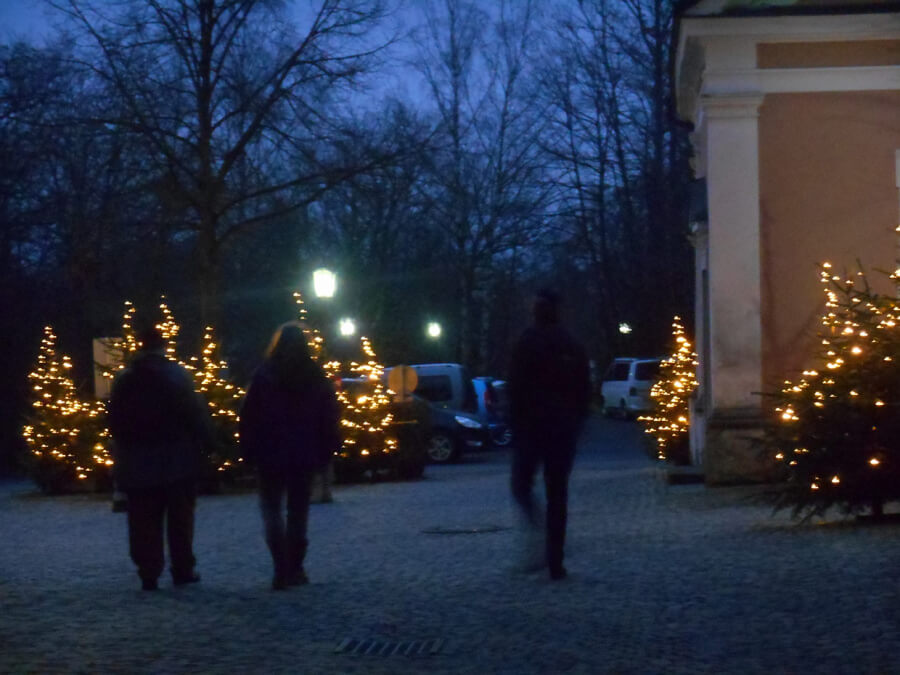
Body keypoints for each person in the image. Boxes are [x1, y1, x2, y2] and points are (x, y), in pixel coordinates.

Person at [108, 326, 213, 591]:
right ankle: (182, 569)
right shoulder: (178, 375)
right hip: (177, 459)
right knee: (180, 519)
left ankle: (148, 571)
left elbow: (114, 421)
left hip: (137, 461)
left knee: (143, 520)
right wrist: (207, 445)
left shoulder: (124, 378)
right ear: (163, 346)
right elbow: (195, 413)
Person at [239, 322, 341, 590]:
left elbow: (248, 416)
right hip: (304, 452)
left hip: (270, 451)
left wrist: (248, 450)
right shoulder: (315, 375)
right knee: (298, 511)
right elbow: (328, 416)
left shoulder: (263, 375)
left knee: (271, 510)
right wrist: (327, 448)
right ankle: (295, 566)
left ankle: (280, 567)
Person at [508, 288, 591, 580]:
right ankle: (555, 559)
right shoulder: (571, 345)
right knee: (557, 494)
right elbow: (584, 390)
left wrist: (515, 425)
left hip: (533, 428)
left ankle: (541, 533)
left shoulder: (526, 342)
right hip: (561, 429)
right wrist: (576, 422)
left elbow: (515, 388)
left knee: (522, 485)